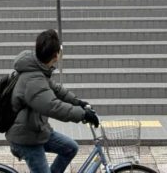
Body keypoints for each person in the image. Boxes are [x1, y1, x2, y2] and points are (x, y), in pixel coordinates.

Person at [6, 28, 99, 173]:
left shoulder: (38, 68)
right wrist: (82, 114)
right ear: (56, 55)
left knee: (70, 148)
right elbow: (53, 106)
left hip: (37, 130)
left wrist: (78, 102)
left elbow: (56, 90)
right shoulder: (33, 80)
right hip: (26, 138)